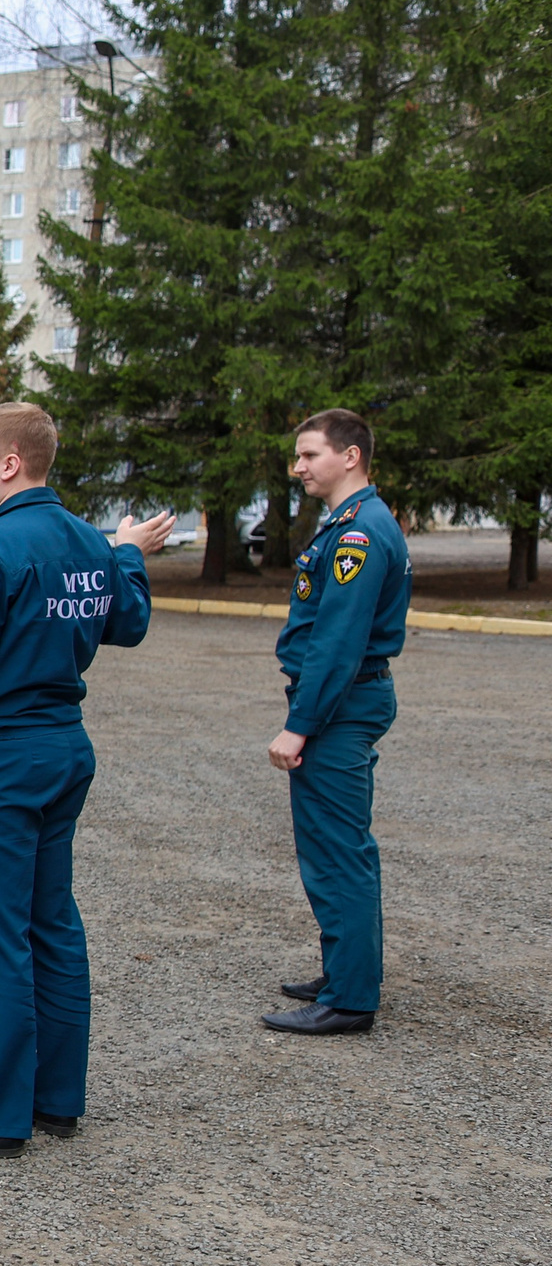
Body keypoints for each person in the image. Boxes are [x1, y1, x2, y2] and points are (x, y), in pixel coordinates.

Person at [0, 402, 174, 1156]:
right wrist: (128, 553)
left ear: (10, 462)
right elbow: (130, 621)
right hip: (62, 749)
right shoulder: (88, 541)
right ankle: (55, 1096)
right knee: (50, 923)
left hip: (0, 760)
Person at [261, 408, 413, 1036]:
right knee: (327, 846)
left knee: (339, 852)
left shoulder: (359, 534)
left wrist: (300, 724)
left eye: (309, 455)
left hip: (339, 707)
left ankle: (350, 999)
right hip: (339, 703)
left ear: (350, 457)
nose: (298, 467)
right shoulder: (352, 522)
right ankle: (343, 970)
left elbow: (338, 642)